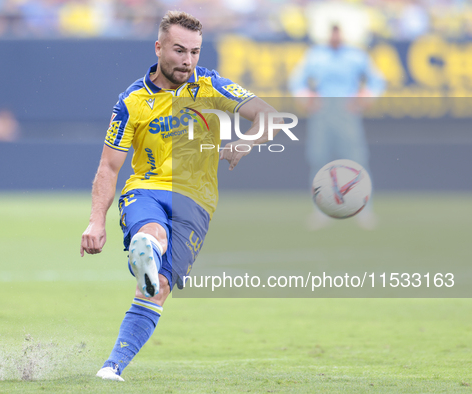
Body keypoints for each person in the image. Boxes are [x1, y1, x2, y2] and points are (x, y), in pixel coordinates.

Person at [81, 10, 280, 381]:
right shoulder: (131, 101)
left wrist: (246, 143)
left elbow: (269, 115)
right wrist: (96, 220)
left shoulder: (209, 85)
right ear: (159, 48)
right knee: (151, 235)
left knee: (159, 288)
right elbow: (109, 167)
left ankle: (112, 367)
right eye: (179, 50)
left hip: (197, 202)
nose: (188, 60)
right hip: (147, 190)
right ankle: (145, 250)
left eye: (195, 52)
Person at [288, 25, 386, 230]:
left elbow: (377, 79)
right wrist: (307, 98)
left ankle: (363, 209)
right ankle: (321, 209)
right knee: (319, 159)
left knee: (356, 159)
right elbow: (296, 79)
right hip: (323, 110)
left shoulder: (355, 56)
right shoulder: (316, 55)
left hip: (346, 110)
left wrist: (363, 98)